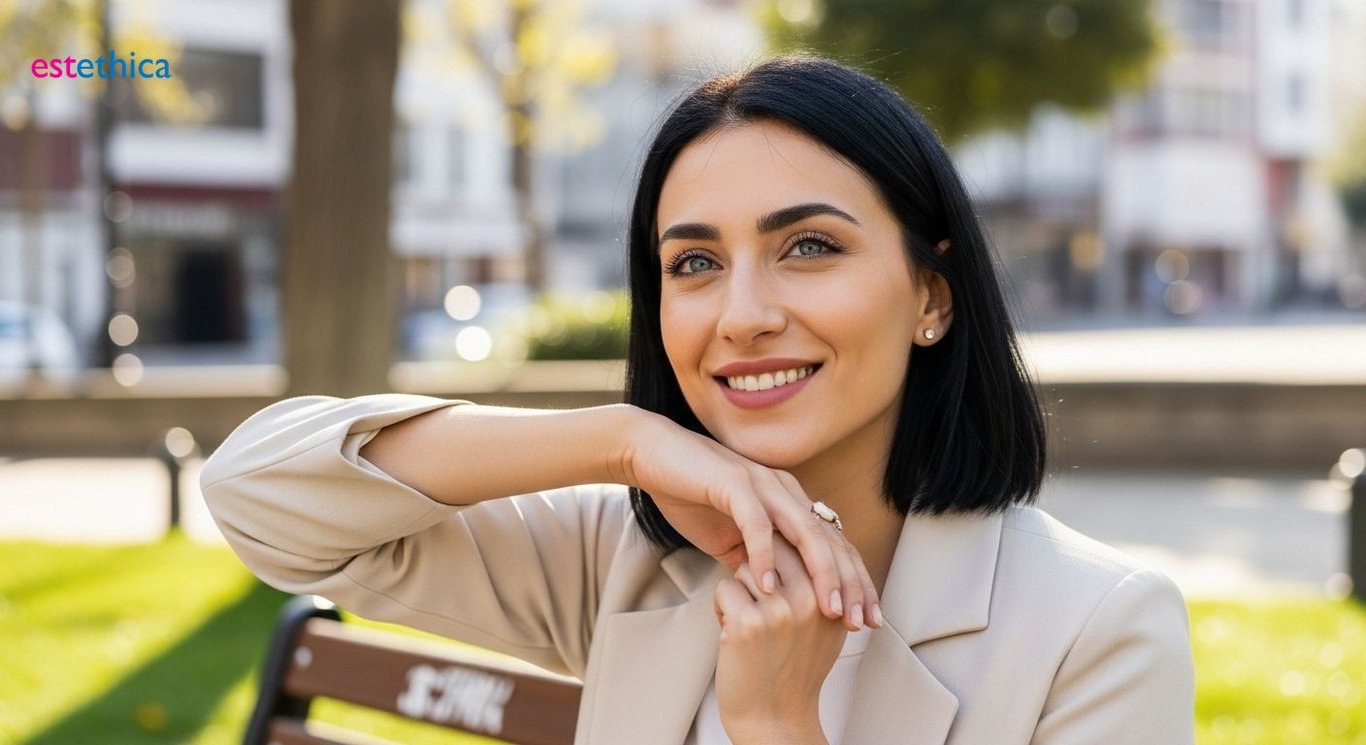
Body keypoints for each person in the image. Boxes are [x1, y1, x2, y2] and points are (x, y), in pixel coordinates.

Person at [203, 56, 1194, 744]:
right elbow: (257, 493)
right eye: (694, 263)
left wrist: (776, 723)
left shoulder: (1094, 633)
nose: (742, 315)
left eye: (809, 246)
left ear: (931, 295)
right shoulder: (630, 558)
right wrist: (620, 442)